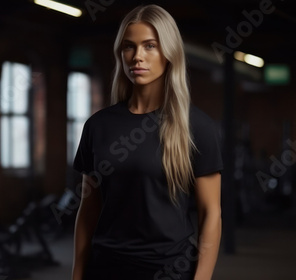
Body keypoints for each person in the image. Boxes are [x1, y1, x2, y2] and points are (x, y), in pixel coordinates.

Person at [71, 4, 223, 280]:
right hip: (105, 269)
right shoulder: (98, 126)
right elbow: (88, 210)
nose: (137, 57)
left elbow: (210, 214)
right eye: (129, 47)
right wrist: (77, 274)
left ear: (169, 53)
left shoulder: (197, 127)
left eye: (149, 46)